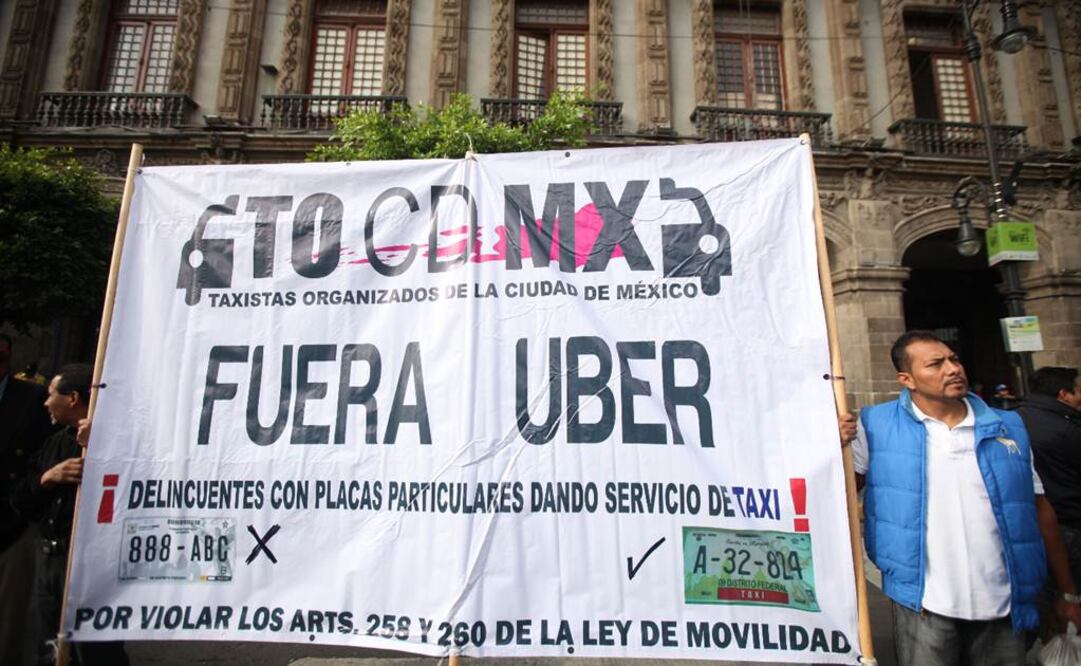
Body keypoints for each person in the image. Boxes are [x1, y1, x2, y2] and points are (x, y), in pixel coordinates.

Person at [845, 330, 1081, 666]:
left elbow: (1039, 507)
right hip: (924, 602)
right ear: (906, 379)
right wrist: (836, 444)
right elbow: (842, 491)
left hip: (1003, 602)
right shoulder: (875, 424)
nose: (952, 369)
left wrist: (1068, 590)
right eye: (936, 364)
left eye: (954, 359)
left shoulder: (1008, 425)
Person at [10, 364, 128, 666]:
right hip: (50, 562)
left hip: (89, 564)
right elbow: (21, 499)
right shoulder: (55, 443)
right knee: (48, 650)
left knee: (95, 653)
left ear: (73, 398)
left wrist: (100, 445)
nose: (46, 402)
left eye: (52, 394)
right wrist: (48, 478)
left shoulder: (118, 442)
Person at [0, 333, 51, 666]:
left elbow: (44, 453)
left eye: (1, 357)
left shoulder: (32, 397)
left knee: (11, 618)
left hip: (13, 520)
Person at [1016, 366, 1081, 628]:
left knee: (1046, 595)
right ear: (1064, 394)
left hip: (1031, 524)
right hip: (1068, 521)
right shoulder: (1068, 429)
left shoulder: (1014, 419)